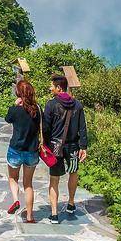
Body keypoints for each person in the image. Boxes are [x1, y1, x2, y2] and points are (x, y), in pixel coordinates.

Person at [42, 73, 88, 223]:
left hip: (56, 148)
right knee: (73, 172)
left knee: (54, 179)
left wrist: (45, 144)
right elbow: (83, 128)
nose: (50, 88)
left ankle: (54, 214)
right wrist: (83, 146)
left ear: (58, 87)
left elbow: (46, 128)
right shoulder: (78, 105)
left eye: (51, 86)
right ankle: (71, 203)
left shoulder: (51, 104)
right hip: (74, 146)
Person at [5, 79, 41, 222]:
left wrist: (14, 106)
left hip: (15, 150)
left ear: (19, 94)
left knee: (13, 178)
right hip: (32, 151)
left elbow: (8, 119)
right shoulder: (37, 110)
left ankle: (15, 200)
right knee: (28, 184)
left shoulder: (15, 110)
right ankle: (30, 216)